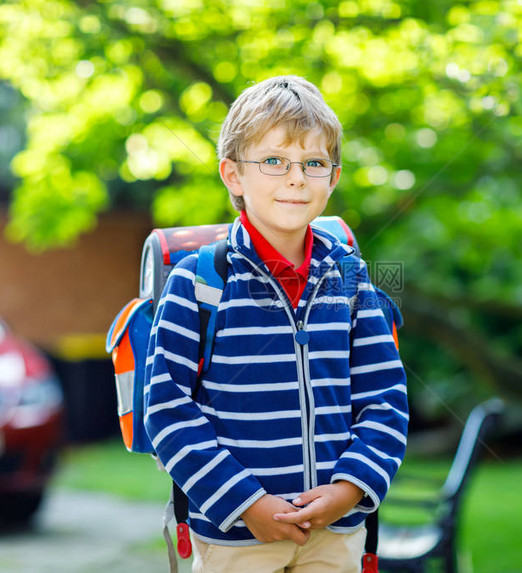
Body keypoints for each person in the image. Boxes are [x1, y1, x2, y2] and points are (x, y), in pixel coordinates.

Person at [144, 75, 408, 573]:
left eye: (314, 163)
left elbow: (385, 398)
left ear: (333, 177)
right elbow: (166, 408)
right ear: (233, 175)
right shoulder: (200, 281)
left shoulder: (349, 278)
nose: (296, 178)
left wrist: (348, 490)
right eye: (273, 161)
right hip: (235, 540)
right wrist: (247, 504)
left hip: (335, 534)